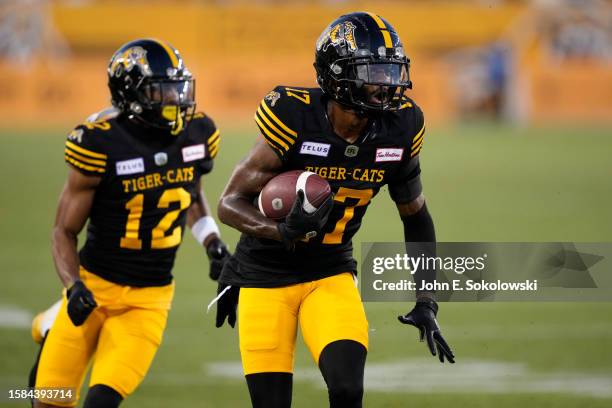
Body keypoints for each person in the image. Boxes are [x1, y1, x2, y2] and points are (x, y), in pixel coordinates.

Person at [215, 12, 455, 408]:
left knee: (347, 390)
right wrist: (279, 233)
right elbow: (229, 202)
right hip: (264, 275)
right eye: (373, 71)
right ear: (336, 75)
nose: (386, 84)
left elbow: (416, 216)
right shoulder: (295, 117)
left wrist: (427, 300)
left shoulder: (401, 127)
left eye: (391, 71)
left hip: (330, 271)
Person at [30, 38, 230, 408]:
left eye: (178, 88)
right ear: (131, 94)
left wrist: (212, 241)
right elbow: (64, 230)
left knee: (101, 402)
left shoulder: (197, 133)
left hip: (148, 301)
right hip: (94, 288)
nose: (176, 100)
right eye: (162, 91)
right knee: (48, 400)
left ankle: (51, 324)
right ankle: (52, 322)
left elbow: (190, 192)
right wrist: (73, 286)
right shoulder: (100, 142)